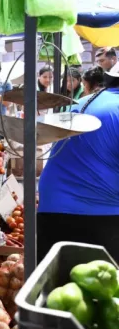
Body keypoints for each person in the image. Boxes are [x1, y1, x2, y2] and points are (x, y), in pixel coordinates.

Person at [37, 63, 119, 261]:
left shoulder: (83, 102)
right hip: (100, 218)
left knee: (51, 286)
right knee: (98, 289)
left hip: (52, 209)